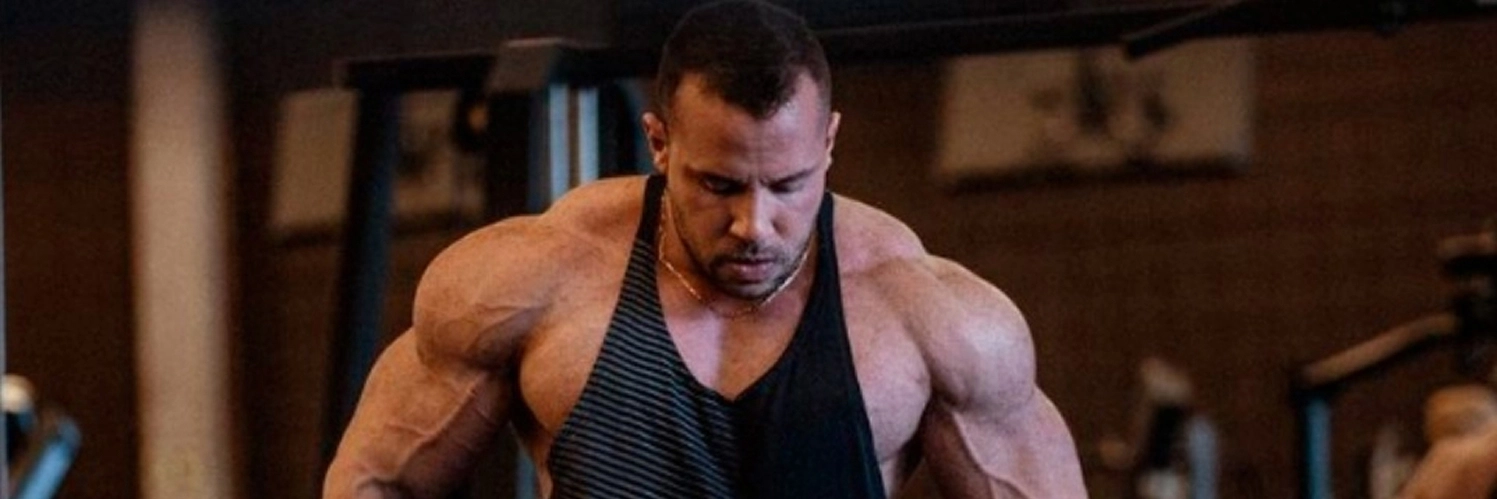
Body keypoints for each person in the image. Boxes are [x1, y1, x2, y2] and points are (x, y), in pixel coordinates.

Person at [323, 1, 1085, 497]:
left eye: (787, 184)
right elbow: (376, 480)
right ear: (659, 144)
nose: (754, 222)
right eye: (719, 185)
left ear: (828, 142)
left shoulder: (932, 316)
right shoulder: (530, 279)